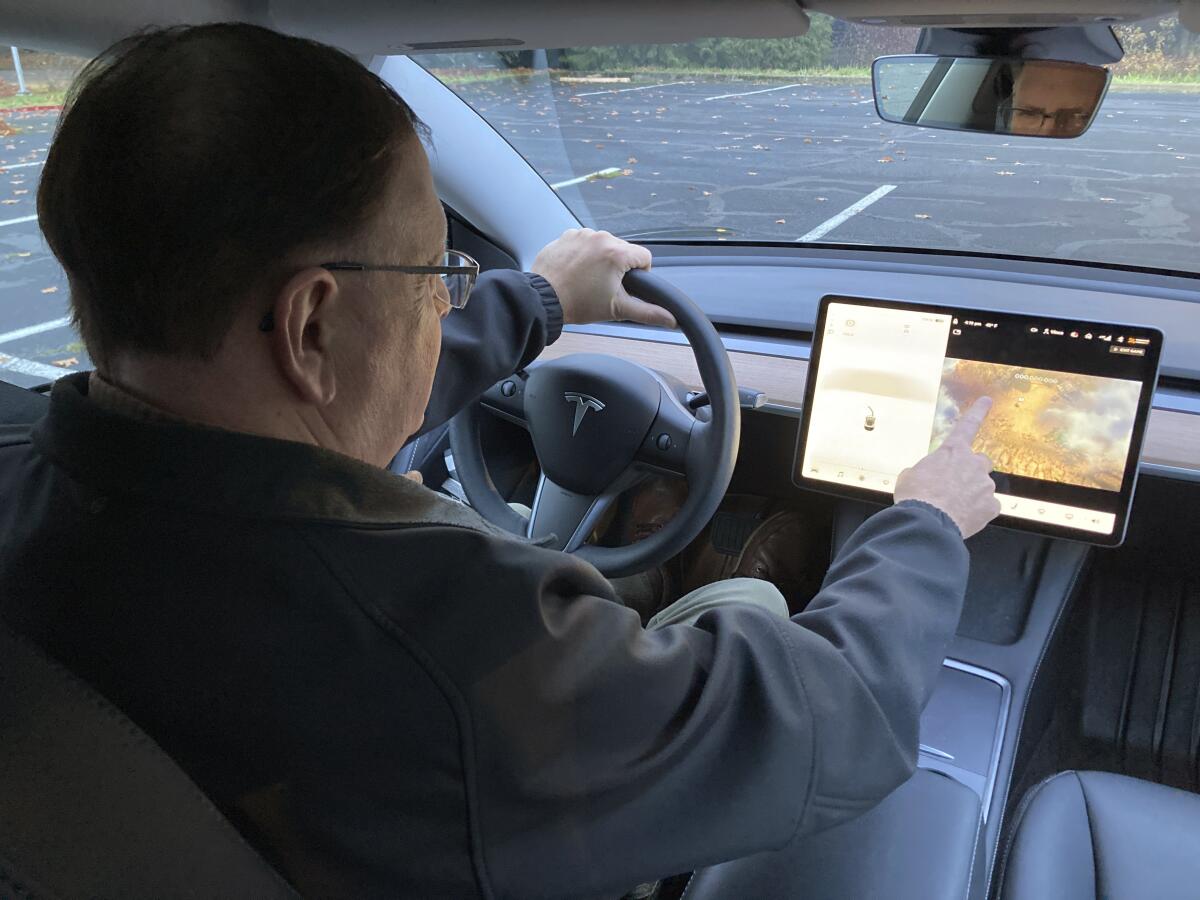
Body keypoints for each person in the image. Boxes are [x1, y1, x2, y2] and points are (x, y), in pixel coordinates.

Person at [0, 23, 1000, 899]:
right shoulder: (444, 658)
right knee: (763, 624)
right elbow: (838, 724)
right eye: (438, 274)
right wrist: (920, 522)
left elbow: (299, 405)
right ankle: (731, 579)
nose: (446, 303)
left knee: (671, 573)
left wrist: (540, 302)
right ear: (311, 323)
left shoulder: (31, 470)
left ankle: (667, 560)